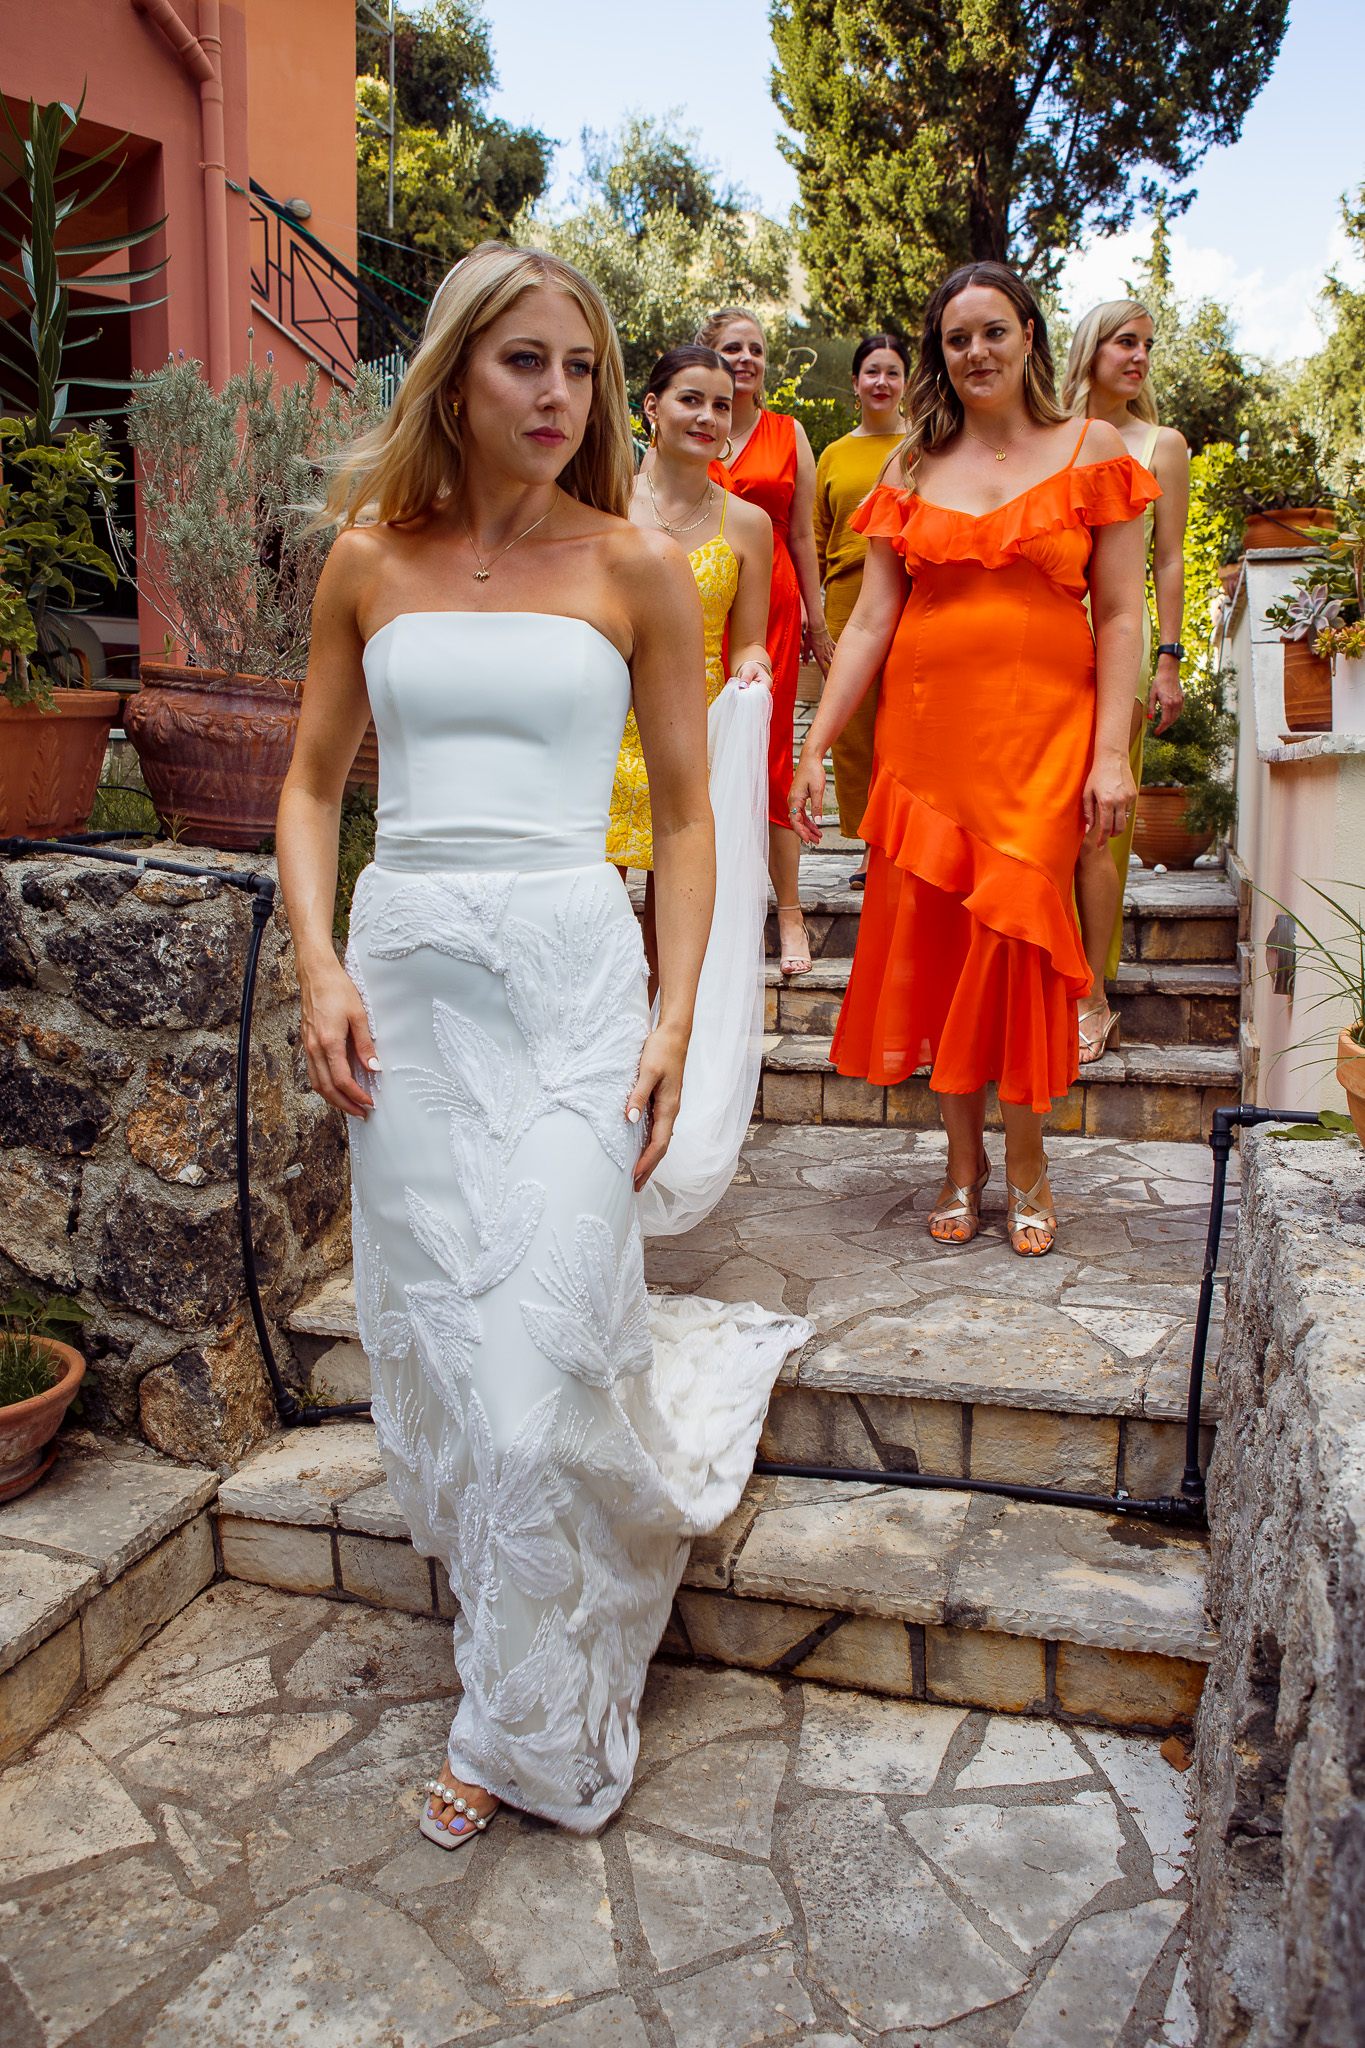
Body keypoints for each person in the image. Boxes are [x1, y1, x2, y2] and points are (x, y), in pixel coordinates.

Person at [277, 243, 810, 1845]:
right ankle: (520, 1615)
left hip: (575, 989)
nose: (557, 395)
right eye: (525, 362)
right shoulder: (368, 560)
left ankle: (519, 1728)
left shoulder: (635, 566)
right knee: (442, 1357)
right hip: (414, 993)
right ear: (456, 370)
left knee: (529, 1382)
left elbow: (697, 819)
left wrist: (669, 1016)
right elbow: (312, 789)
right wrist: (316, 965)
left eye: (579, 366)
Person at [787, 262, 1155, 1258]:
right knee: (940, 948)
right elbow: (869, 622)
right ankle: (962, 1164)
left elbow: (1121, 612)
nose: (978, 352)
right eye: (958, 339)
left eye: (995, 331)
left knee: (1021, 947)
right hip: (927, 742)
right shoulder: (910, 466)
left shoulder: (1095, 447)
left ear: (1030, 335)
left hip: (1044, 738)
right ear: (938, 355)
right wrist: (814, 744)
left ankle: (1028, 1160)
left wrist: (1111, 751)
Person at [608, 343, 774, 986]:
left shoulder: (749, 524)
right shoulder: (603, 501)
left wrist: (755, 667)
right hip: (603, 717)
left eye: (722, 406)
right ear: (653, 407)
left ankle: (656, 1054)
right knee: (585, 900)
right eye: (691, 399)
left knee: (669, 924)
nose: (708, 416)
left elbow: (748, 640)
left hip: (687, 730)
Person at [1061, 302, 1190, 1059]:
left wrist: (1168, 658)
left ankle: (1093, 994)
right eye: (1123, 341)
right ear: (1089, 349)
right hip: (1043, 635)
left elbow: (1166, 559)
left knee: (1096, 829)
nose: (1138, 356)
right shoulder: (1051, 434)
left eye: (1146, 344)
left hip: (1119, 641)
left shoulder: (1157, 443)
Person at [695, 307, 833, 976]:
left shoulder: (789, 432)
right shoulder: (699, 427)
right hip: (703, 598)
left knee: (771, 758)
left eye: (754, 348)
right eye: (731, 347)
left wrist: (816, 614)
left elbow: (804, 534)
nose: (745, 357)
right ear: (709, 354)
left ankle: (789, 916)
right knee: (702, 752)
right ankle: (707, 913)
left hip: (772, 603)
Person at [813, 333, 911, 887]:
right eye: (872, 372)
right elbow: (818, 533)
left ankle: (906, 840)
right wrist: (817, 617)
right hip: (849, 592)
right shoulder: (834, 454)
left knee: (904, 720)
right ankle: (870, 845)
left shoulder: (923, 446)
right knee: (853, 726)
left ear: (905, 382)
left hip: (911, 589)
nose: (881, 382)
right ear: (856, 383)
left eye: (892, 372)